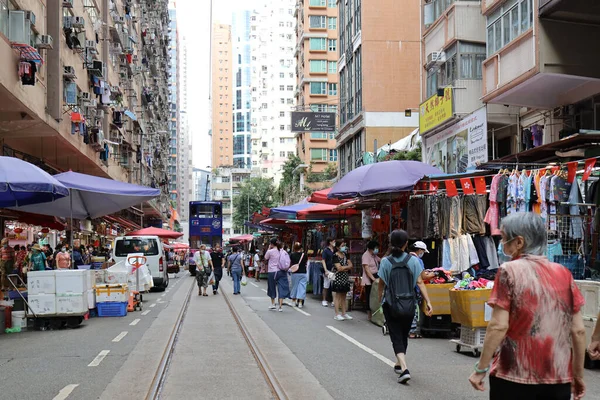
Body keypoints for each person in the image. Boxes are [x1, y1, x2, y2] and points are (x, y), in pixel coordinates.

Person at [468, 213, 586, 400]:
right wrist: (577, 375)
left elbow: (498, 326)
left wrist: (481, 368)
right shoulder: (564, 273)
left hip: (514, 375)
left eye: (504, 238)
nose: (502, 244)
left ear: (519, 242)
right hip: (557, 377)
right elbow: (578, 330)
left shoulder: (509, 271)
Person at [378, 230, 433, 384]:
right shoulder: (414, 261)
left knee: (396, 335)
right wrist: (428, 301)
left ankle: (404, 368)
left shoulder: (385, 261)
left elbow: (381, 284)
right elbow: (420, 282)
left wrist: (379, 300)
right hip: (410, 304)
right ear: (406, 244)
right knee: (403, 334)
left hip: (391, 304)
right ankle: (399, 363)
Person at [408, 241, 434, 339]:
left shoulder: (406, 258)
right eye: (423, 251)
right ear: (419, 250)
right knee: (413, 310)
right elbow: (423, 277)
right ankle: (412, 332)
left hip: (403, 288)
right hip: (413, 289)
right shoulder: (418, 261)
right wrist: (434, 274)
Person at [264, 238, 289, 312]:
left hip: (272, 272)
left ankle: (273, 304)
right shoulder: (282, 251)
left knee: (272, 287)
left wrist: (269, 248)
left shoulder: (270, 251)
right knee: (281, 287)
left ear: (271, 244)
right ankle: (280, 306)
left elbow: (265, 258)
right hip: (281, 271)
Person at [330, 240, 353, 321]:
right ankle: (337, 314)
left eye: (344, 245)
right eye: (342, 245)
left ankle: (344, 313)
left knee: (344, 295)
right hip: (338, 278)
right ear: (337, 247)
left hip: (345, 277)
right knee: (338, 296)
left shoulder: (345, 255)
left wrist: (344, 268)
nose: (344, 247)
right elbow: (339, 268)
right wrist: (345, 267)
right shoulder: (335, 256)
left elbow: (351, 265)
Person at [361, 240, 381, 321]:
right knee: (369, 295)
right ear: (371, 248)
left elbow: (381, 260)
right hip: (369, 278)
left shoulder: (373, 255)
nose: (377, 250)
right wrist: (373, 279)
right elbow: (366, 269)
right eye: (376, 248)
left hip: (376, 276)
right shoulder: (366, 255)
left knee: (375, 296)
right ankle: (369, 314)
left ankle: (374, 312)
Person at [290, 242, 308, 308]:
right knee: (302, 288)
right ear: (301, 248)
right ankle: (300, 302)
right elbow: (306, 262)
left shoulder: (292, 255)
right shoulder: (305, 255)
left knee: (294, 287)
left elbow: (290, 262)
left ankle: (293, 301)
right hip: (303, 273)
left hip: (295, 273)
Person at [321, 237, 336, 307]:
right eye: (334, 241)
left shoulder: (335, 250)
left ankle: (334, 300)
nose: (334, 243)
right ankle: (324, 300)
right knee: (326, 285)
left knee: (334, 286)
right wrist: (325, 270)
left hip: (335, 270)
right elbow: (323, 260)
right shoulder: (326, 250)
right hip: (328, 270)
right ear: (330, 242)